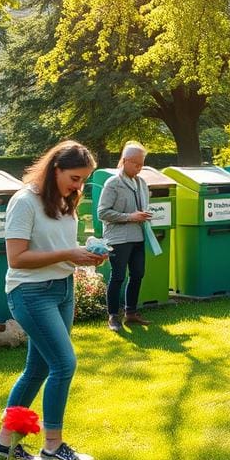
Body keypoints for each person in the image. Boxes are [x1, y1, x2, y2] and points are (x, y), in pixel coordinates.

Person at [0, 140, 107, 460]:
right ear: (56, 169)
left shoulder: (66, 201)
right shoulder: (24, 201)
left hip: (62, 290)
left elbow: (58, 246)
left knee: (37, 368)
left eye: (83, 180)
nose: (79, 186)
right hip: (30, 293)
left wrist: (84, 255)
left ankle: (3, 444)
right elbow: (17, 258)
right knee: (64, 364)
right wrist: (69, 254)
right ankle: (53, 445)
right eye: (75, 178)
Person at [96, 141, 153, 332]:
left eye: (141, 164)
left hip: (139, 236)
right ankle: (113, 316)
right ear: (125, 161)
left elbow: (144, 205)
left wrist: (145, 214)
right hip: (118, 239)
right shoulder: (113, 183)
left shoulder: (141, 183)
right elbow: (102, 213)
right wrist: (130, 217)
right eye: (136, 164)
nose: (139, 168)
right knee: (118, 277)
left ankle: (131, 313)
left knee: (138, 274)